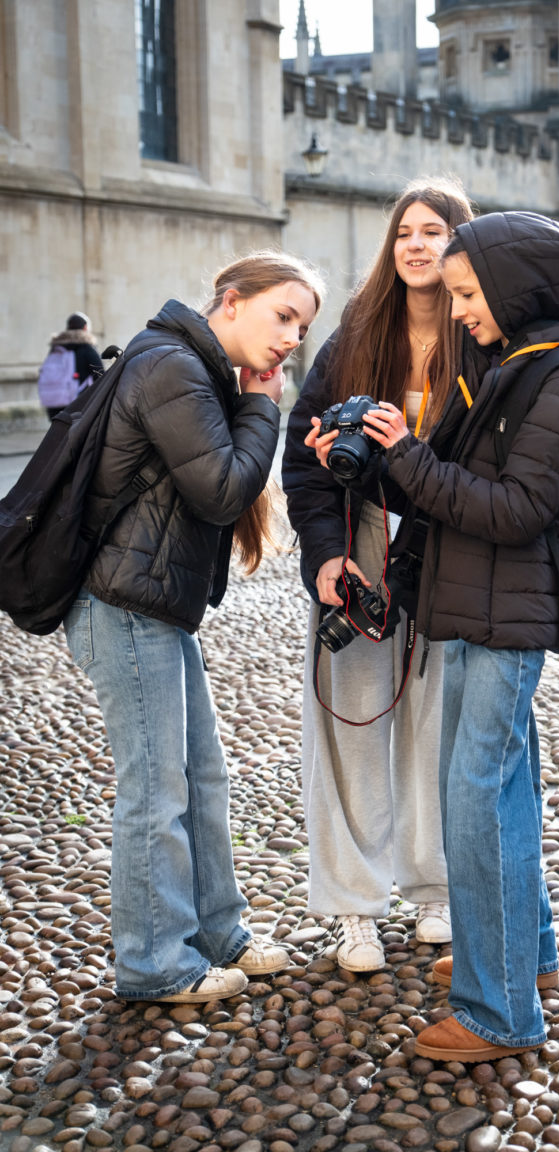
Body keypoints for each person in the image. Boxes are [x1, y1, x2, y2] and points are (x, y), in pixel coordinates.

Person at [357, 211, 559, 1061]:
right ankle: (523, 959)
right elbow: (455, 492)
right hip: (472, 611)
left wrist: (407, 458)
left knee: (479, 804)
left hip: (505, 622)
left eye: (467, 293)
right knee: (507, 797)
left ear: (513, 288)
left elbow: (516, 512)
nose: (456, 308)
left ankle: (496, 1014)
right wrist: (375, 456)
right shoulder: (509, 370)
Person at [63, 252, 323, 1004]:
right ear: (232, 302)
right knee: (154, 789)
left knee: (201, 777)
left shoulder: (194, 369)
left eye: (302, 328)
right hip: (123, 604)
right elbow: (220, 492)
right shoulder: (173, 367)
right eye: (283, 316)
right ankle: (153, 962)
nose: (291, 341)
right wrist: (264, 404)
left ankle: (217, 932)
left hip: (156, 605)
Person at [282, 178, 480, 972]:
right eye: (405, 232)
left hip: (446, 550)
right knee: (350, 725)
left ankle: (433, 887)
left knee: (436, 726)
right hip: (362, 540)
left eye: (434, 231)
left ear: (460, 244)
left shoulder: (482, 339)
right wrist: (326, 552)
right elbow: (304, 461)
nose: (417, 245)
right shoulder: (355, 335)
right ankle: (354, 907)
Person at [39, 311, 104, 419]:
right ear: (85, 328)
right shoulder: (86, 348)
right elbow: (101, 376)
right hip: (77, 405)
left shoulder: (57, 348)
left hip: (53, 404)